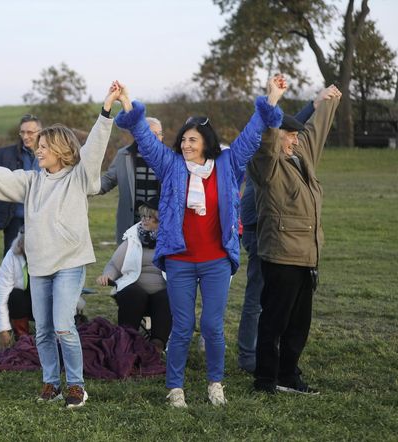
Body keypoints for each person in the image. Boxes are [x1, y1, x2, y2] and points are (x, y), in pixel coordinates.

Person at [0, 81, 122, 408]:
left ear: (62, 151)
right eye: (38, 146)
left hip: (69, 263)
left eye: (44, 147)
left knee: (65, 326)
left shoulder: (78, 177)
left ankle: (76, 386)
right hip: (39, 266)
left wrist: (107, 108)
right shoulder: (32, 181)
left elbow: (94, 146)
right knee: (44, 331)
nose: (37, 150)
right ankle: (51, 383)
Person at [114, 76, 286, 407]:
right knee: (182, 326)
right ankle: (175, 388)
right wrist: (127, 105)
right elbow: (147, 143)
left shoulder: (227, 163)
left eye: (192, 140)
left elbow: (252, 136)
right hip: (179, 259)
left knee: (212, 326)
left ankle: (215, 384)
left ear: (206, 142)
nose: (186, 145)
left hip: (216, 259)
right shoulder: (171, 165)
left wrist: (272, 100)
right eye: (183, 140)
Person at [249, 84, 342, 395]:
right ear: (278, 136)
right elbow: (266, 143)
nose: (295, 139)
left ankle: (288, 376)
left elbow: (315, 132)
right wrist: (272, 103)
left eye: (295, 135)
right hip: (280, 255)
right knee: (274, 321)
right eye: (289, 135)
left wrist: (328, 102)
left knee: (299, 325)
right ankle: (265, 380)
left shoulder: (301, 157)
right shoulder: (267, 165)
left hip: (307, 255)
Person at [236, 100, 316, 374]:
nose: (294, 139)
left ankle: (276, 360)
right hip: (262, 234)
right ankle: (250, 357)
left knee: (279, 304)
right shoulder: (263, 157)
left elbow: (290, 124)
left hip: (282, 236)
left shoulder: (283, 150)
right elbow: (278, 129)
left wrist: (315, 104)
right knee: (259, 300)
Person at [95, 197, 170, 353]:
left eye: (149, 217)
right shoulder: (133, 237)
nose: (144, 220)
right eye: (143, 216)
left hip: (161, 292)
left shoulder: (171, 239)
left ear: (160, 219)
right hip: (134, 290)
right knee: (133, 293)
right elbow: (114, 265)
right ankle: (127, 340)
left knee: (168, 296)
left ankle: (157, 344)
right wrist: (107, 276)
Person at [99, 117, 164, 244]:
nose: (156, 137)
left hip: (159, 224)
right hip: (131, 224)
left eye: (159, 134)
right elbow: (108, 180)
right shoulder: (124, 156)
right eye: (151, 134)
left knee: (156, 262)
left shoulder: (169, 158)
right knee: (129, 262)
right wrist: (87, 187)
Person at [0, 114, 42, 255]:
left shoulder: (50, 154)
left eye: (30, 132)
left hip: (41, 219)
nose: (25, 136)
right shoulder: (3, 155)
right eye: (22, 132)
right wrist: (4, 211)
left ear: (40, 133)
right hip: (14, 219)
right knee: (12, 261)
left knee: (39, 260)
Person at [0, 228, 32, 350]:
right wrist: (3, 330)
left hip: (46, 302)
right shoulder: (11, 256)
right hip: (25, 302)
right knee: (15, 295)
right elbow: (1, 293)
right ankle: (22, 338)